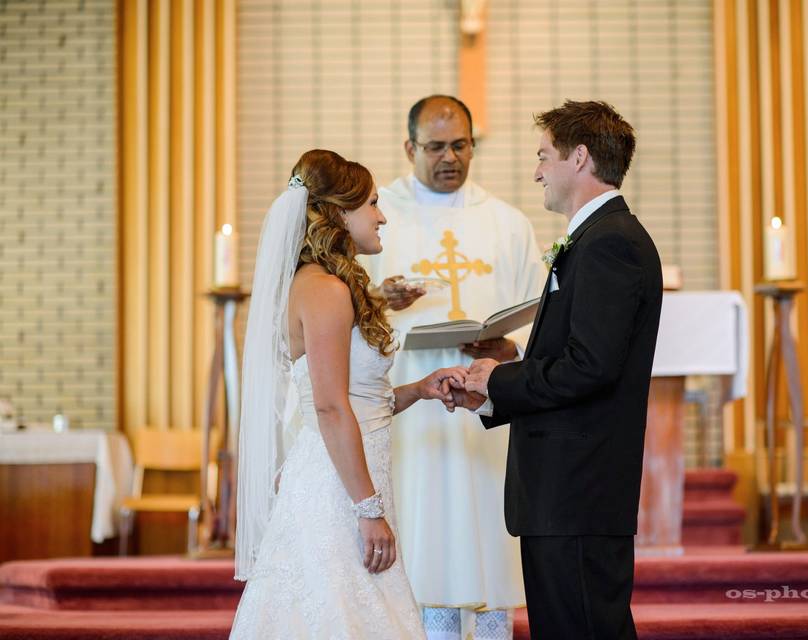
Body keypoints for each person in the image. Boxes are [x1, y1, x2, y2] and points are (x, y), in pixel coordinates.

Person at [231, 149, 468, 639]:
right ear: (340, 212)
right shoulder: (322, 289)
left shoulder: (331, 285)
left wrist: (420, 390)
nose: (382, 217)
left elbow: (360, 403)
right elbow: (329, 407)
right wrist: (368, 510)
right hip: (338, 493)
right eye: (373, 205)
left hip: (353, 481)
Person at [450, 101, 663, 640]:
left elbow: (590, 368)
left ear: (580, 157)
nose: (536, 171)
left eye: (544, 156)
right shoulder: (596, 238)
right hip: (567, 492)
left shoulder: (609, 243)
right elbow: (581, 358)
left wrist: (496, 381)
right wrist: (500, 380)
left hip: (577, 492)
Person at [363, 95, 544, 640]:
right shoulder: (377, 217)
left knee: (486, 525)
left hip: (484, 407)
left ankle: (489, 632)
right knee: (422, 525)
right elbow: (339, 308)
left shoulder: (505, 223)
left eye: (461, 145)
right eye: (436, 146)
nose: (450, 157)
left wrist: (511, 348)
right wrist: (376, 297)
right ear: (409, 147)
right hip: (410, 406)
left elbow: (543, 311)